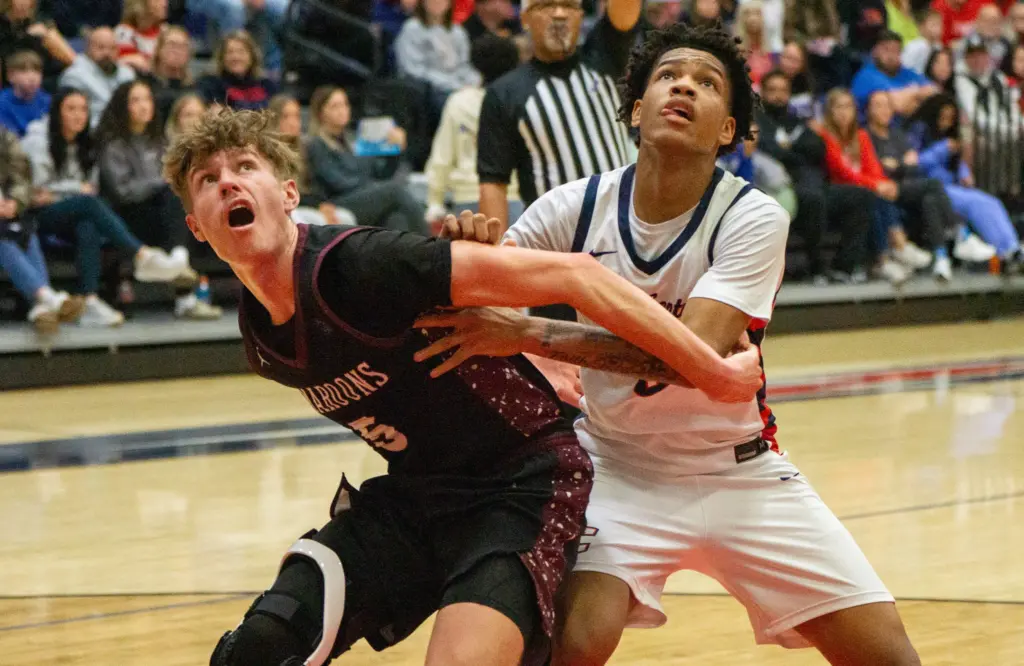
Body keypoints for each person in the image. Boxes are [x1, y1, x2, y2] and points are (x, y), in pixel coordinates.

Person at [160, 107, 764, 666]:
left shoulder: (362, 265)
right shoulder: (262, 341)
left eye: (245, 167)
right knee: (256, 649)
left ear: (289, 194)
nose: (229, 183)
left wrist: (709, 372)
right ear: (195, 227)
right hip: (414, 498)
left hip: (520, 486)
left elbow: (576, 274)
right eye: (208, 180)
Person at [421, 23, 920, 666]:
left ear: (727, 130)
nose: (683, 86)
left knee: (890, 657)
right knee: (575, 643)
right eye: (667, 76)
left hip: (739, 469)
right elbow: (478, 292)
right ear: (636, 110)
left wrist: (532, 333)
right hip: (616, 467)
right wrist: (466, 253)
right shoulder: (576, 206)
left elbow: (689, 358)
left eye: (706, 83)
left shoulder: (753, 217)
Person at [20, 87, 188, 325]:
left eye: (83, 109)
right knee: (88, 205)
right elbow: (38, 192)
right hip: (37, 215)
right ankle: (142, 255)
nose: (79, 115)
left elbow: (91, 186)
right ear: (57, 112)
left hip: (74, 211)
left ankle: (89, 300)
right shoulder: (37, 141)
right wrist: (75, 189)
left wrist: (70, 191)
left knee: (87, 224)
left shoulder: (87, 142)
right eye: (71, 109)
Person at [476, 0, 642, 230]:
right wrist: (494, 249)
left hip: (622, 229)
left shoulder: (605, 57)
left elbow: (626, 8)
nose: (560, 14)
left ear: (581, 15)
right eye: (546, 5)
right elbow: (493, 183)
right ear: (524, 18)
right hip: (553, 238)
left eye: (569, 5)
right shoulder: (504, 94)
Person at [97, 79, 222, 320]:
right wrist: (160, 182)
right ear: (123, 106)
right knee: (176, 199)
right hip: (125, 217)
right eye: (135, 100)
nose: (144, 105)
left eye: (147, 99)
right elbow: (123, 192)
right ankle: (182, 283)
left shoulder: (158, 140)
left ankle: (179, 265)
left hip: (158, 212)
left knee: (184, 207)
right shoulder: (113, 144)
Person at [863, 89, 996, 280]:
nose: (884, 110)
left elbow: (913, 166)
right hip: (884, 189)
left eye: (887, 105)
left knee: (931, 199)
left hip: (905, 187)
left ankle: (941, 259)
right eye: (878, 106)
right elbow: (879, 169)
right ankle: (961, 234)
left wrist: (898, 165)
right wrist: (901, 165)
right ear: (868, 110)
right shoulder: (865, 136)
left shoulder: (897, 135)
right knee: (933, 185)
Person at [757, 70, 875, 283]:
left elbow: (818, 147)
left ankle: (845, 266)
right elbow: (769, 149)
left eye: (783, 90)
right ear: (762, 93)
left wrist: (788, 150)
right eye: (772, 90)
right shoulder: (756, 123)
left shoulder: (797, 121)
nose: (778, 96)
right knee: (813, 199)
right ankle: (817, 268)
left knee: (861, 196)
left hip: (814, 184)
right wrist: (796, 152)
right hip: (780, 189)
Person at [819, 88, 935, 284]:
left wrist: (885, 184)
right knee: (872, 195)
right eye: (839, 107)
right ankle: (892, 251)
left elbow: (873, 167)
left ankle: (894, 253)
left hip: (865, 191)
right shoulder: (825, 136)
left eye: (848, 107)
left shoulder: (861, 136)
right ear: (829, 111)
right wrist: (877, 185)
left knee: (879, 194)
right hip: (839, 194)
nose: (844, 112)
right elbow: (842, 173)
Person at [910, 93, 1024, 271]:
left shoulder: (950, 136)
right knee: (976, 203)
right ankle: (1005, 249)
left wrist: (964, 173)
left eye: (950, 119)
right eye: (943, 118)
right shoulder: (920, 131)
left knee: (991, 201)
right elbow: (915, 163)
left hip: (954, 187)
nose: (946, 123)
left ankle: (1012, 247)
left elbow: (956, 166)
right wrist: (943, 149)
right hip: (931, 187)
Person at [425, 35, 524, 225]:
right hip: (516, 197)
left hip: (467, 200)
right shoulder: (522, 101)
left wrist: (434, 201)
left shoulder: (459, 102)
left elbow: (442, 157)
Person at [305, 85, 425, 233]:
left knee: (395, 218)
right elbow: (339, 183)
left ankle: (411, 248)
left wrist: (395, 150)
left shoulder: (353, 142)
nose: (342, 110)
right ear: (321, 112)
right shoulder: (317, 145)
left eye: (345, 104)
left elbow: (382, 174)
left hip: (360, 197)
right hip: (337, 202)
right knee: (395, 191)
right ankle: (433, 244)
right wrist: (374, 188)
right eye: (335, 106)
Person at [0, 122, 79, 333]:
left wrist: (15, 201)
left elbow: (22, 177)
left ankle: (42, 306)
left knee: (25, 230)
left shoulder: (4, 137)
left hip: (6, 211)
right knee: (3, 240)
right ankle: (47, 297)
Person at [267, 93, 355, 226]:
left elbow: (313, 187)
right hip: (283, 206)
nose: (293, 122)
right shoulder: (268, 153)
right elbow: (280, 193)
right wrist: (318, 205)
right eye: (286, 117)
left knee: (346, 217)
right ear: (274, 120)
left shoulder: (304, 148)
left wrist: (323, 204)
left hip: (306, 203)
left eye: (296, 116)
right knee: (320, 221)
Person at [394, 0, 480, 120]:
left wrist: (473, 81)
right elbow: (413, 69)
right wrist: (451, 85)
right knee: (457, 106)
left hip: (459, 86)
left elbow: (465, 65)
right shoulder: (412, 29)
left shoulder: (458, 31)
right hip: (431, 89)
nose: (437, 3)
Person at [58, 26, 137, 126]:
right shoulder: (74, 76)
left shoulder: (127, 74)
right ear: (88, 49)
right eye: (101, 47)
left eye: (112, 48)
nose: (107, 53)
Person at [850, 30, 939, 117]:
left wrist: (910, 94)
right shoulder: (866, 75)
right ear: (875, 51)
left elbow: (935, 92)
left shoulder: (906, 72)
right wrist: (917, 93)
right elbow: (898, 105)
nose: (891, 56)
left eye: (896, 51)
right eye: (886, 50)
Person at [0, 0, 75, 92]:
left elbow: (72, 60)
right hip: (10, 85)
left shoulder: (41, 23)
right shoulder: (3, 29)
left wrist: (46, 35)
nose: (24, 3)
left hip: (45, 82)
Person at [197, 30, 277, 112]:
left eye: (241, 52)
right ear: (222, 57)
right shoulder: (210, 85)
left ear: (252, 56)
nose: (236, 57)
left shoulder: (267, 85)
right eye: (230, 52)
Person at [147, 25, 196, 123]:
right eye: (172, 45)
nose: (177, 50)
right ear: (159, 49)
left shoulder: (196, 89)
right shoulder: (146, 85)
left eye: (183, 46)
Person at [0, 50, 51, 137]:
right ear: (10, 76)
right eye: (24, 71)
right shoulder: (2, 103)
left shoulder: (47, 100)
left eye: (37, 71)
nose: (32, 77)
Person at [114, 0, 168, 75]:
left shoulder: (165, 31)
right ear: (141, 3)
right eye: (157, 0)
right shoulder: (124, 32)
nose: (164, 4)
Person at [901, 9, 944, 74]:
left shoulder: (938, 46)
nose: (938, 28)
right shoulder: (914, 46)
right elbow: (904, 68)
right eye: (934, 24)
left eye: (939, 24)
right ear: (922, 27)